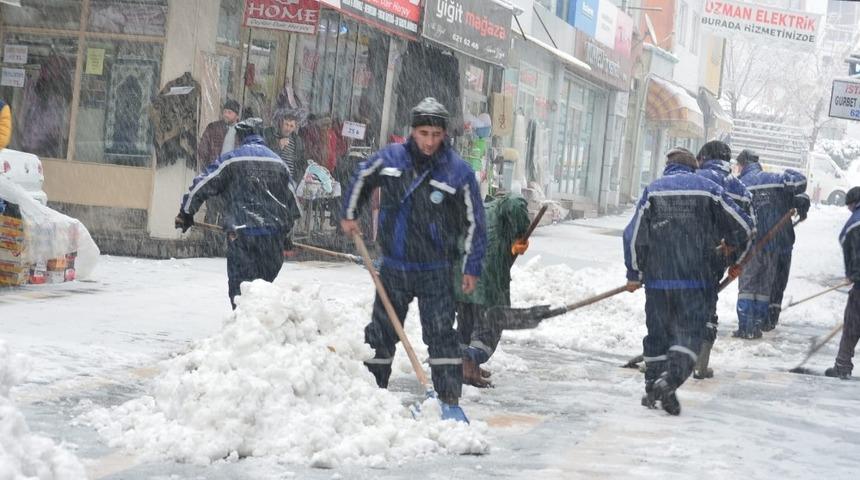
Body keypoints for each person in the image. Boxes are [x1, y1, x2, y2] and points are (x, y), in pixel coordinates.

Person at [341, 97, 486, 412]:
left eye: (436, 135)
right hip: (395, 266)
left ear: (444, 134)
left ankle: (448, 400)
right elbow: (362, 176)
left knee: (441, 336)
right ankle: (372, 393)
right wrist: (350, 214)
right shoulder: (392, 159)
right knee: (380, 332)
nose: (430, 142)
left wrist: (471, 267)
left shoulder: (457, 172)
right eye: (423, 134)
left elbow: (476, 223)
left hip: (436, 268)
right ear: (413, 131)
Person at [624, 147, 752, 415]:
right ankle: (668, 382)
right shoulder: (709, 190)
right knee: (690, 335)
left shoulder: (653, 191)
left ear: (668, 168)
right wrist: (735, 258)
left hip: (658, 282)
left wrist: (635, 273)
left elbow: (633, 235)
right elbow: (743, 226)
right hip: (696, 281)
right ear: (694, 167)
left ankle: (653, 386)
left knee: (657, 335)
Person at [175, 118, 301, 310]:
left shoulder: (232, 160)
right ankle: (257, 330)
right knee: (263, 291)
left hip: (242, 236)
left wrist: (186, 213)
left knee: (240, 291)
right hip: (271, 240)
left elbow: (202, 184)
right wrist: (286, 234)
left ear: (241, 137)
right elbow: (293, 204)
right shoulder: (279, 163)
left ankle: (243, 328)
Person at [692, 141, 755, 379]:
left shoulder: (692, 179)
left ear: (704, 158)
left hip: (682, 253)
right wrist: (737, 262)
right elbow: (750, 229)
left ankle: (663, 358)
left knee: (675, 302)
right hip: (717, 256)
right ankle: (700, 362)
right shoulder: (740, 189)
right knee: (707, 304)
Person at [456, 191, 531, 387]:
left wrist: (513, 245)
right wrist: (520, 233)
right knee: (489, 326)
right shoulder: (504, 205)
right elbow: (515, 204)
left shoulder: (482, 207)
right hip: (485, 277)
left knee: (467, 324)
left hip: (461, 274)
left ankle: (465, 368)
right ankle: (470, 368)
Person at [735, 149, 807, 338]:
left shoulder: (740, 184)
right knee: (765, 287)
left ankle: (745, 326)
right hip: (775, 245)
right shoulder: (774, 178)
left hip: (751, 244)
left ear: (742, 165)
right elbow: (800, 181)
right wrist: (788, 172)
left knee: (748, 286)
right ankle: (758, 324)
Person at [825, 186, 860, 380]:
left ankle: (842, 365)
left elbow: (845, 238)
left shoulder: (855, 222)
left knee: (852, 324)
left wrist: (852, 273)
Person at [198, 99, 241, 171]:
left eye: (229, 112)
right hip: (215, 170)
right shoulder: (213, 128)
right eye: (224, 112)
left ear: (237, 116)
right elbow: (202, 150)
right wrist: (206, 169)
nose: (226, 115)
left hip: (233, 172)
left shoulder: (242, 131)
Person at [264, 111, 305, 183]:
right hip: (273, 180)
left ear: (294, 128)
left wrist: (296, 180)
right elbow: (265, 155)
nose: (288, 129)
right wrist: (278, 146)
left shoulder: (298, 141)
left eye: (291, 126)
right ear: (281, 124)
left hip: (290, 182)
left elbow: (302, 162)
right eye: (286, 124)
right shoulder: (270, 135)